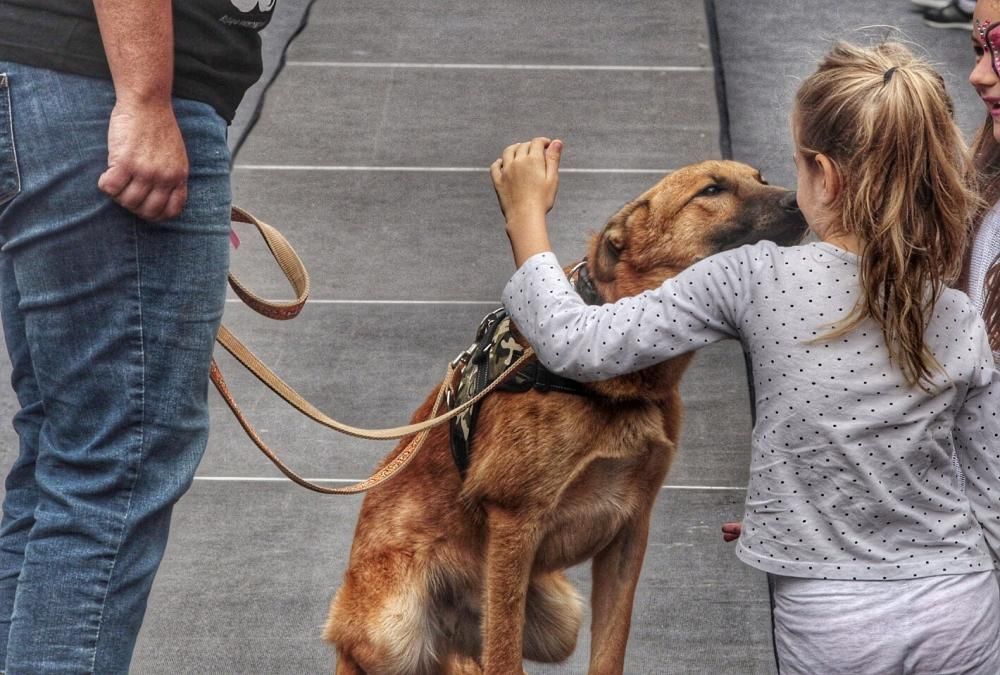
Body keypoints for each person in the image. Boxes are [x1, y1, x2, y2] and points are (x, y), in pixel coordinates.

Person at [491, 41, 1000, 673]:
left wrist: (525, 218)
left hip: (832, 613)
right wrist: (783, 516)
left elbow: (575, 342)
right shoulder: (953, 312)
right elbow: (987, 490)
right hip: (961, 603)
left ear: (825, 175)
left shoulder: (753, 278)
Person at [0, 1, 273, 671]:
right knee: (112, 461)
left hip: (53, 80)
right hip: (96, 82)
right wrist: (145, 98)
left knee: (68, 457)